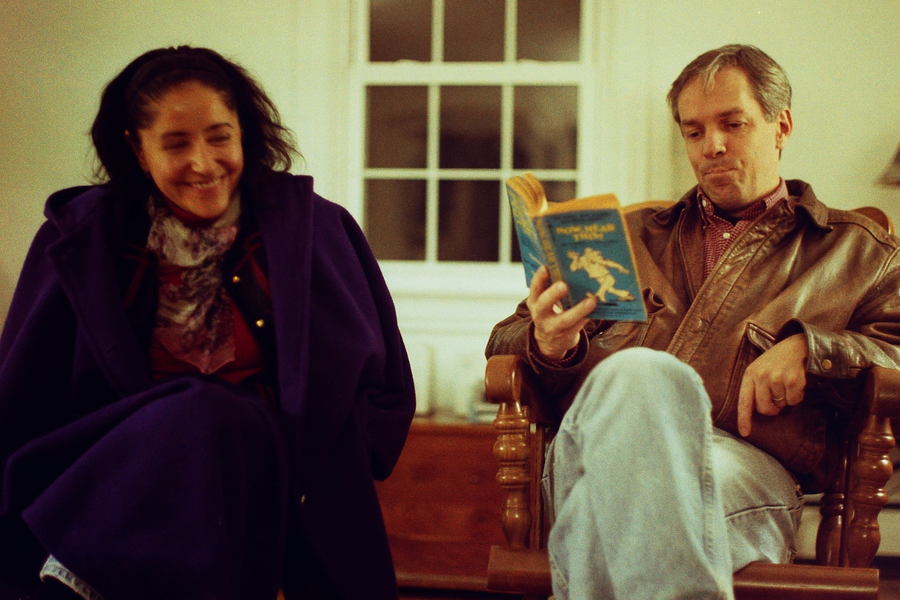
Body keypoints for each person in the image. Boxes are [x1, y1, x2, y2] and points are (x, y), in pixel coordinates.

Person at [0, 46, 415, 600]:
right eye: (176, 144)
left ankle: (80, 570)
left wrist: (332, 470)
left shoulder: (316, 229)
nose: (203, 163)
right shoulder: (83, 240)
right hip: (124, 474)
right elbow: (23, 390)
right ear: (138, 149)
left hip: (276, 471)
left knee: (209, 409)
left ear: (244, 133)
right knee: (195, 412)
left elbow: (385, 379)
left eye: (220, 137)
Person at [486, 44, 899, 599]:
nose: (712, 146)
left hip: (739, 465)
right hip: (593, 448)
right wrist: (549, 343)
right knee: (640, 376)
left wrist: (813, 349)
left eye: (733, 124)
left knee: (605, 506)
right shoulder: (621, 238)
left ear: (781, 126)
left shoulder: (858, 253)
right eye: (694, 131)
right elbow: (503, 340)